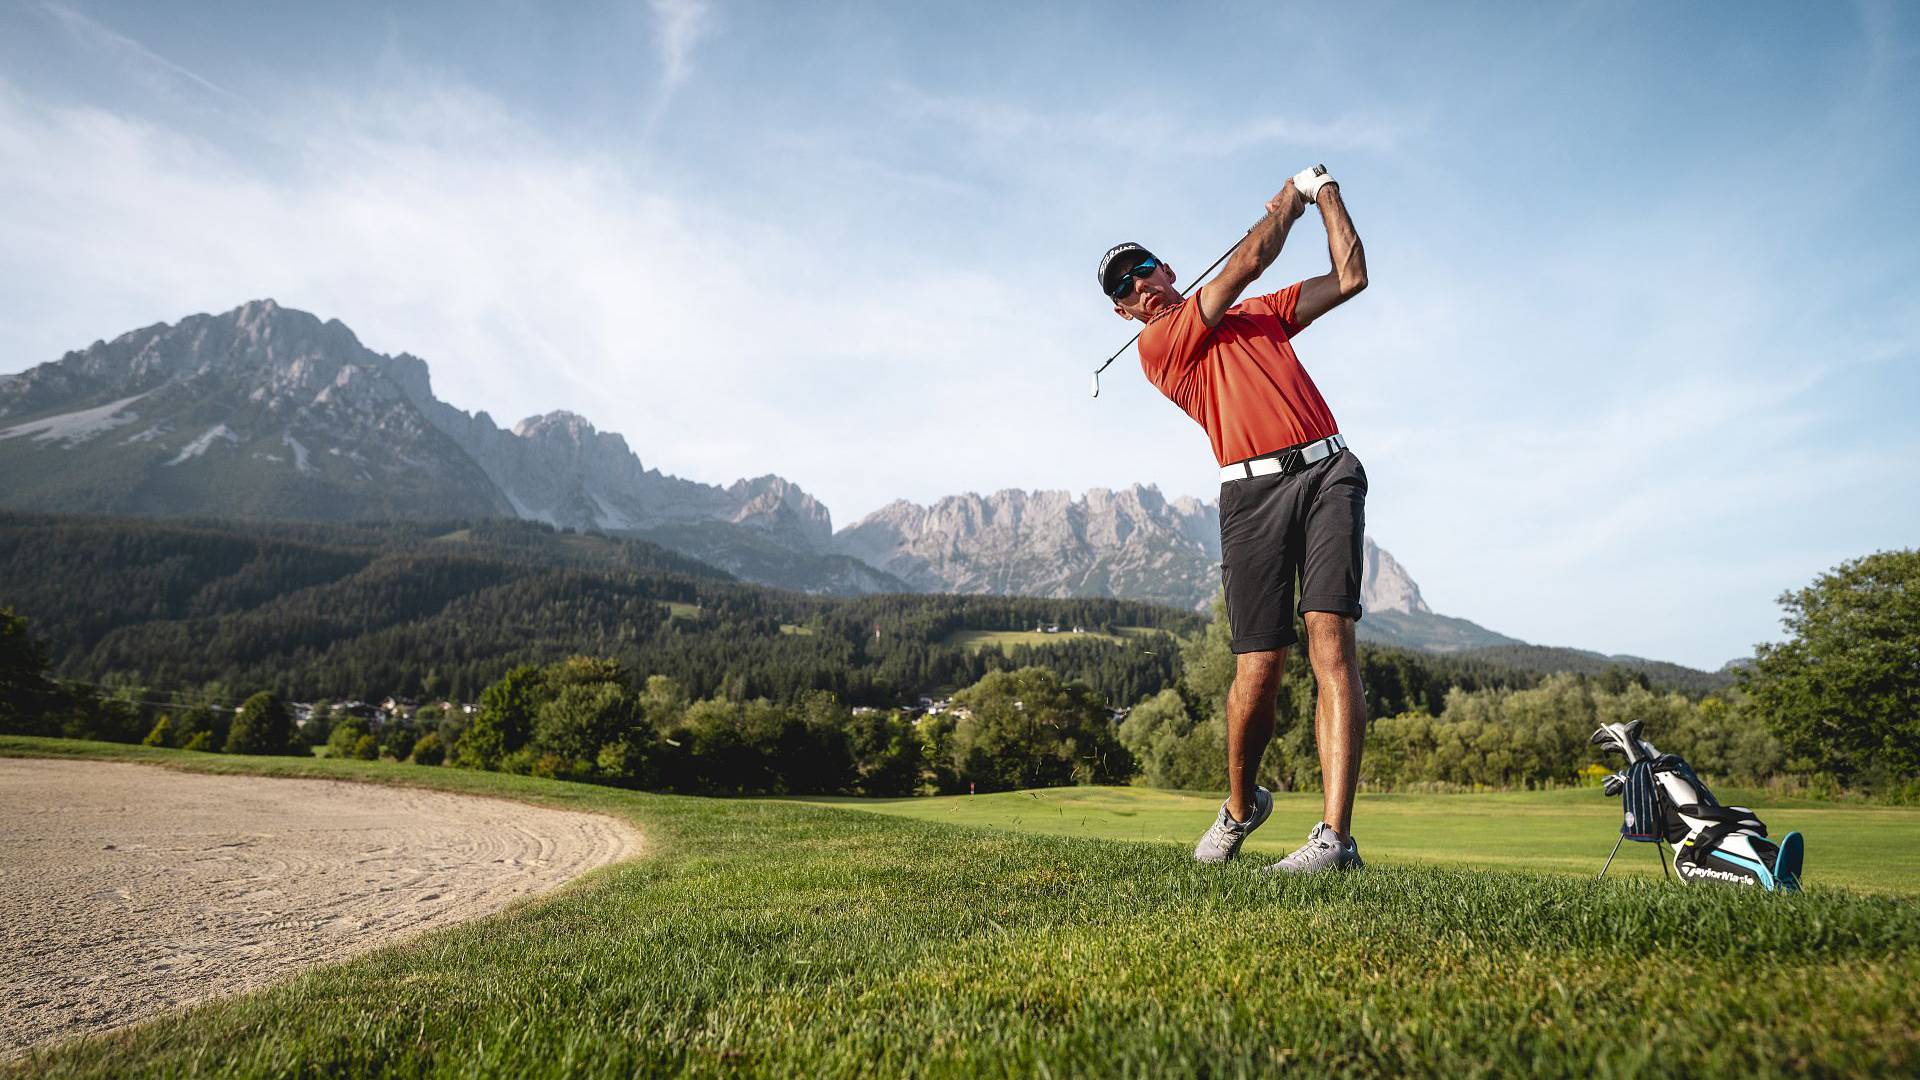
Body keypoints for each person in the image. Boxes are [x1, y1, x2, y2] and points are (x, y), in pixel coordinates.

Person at [1098, 165, 1370, 873]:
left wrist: (1329, 194)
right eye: (1124, 288)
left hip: (1327, 469)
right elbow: (1249, 258)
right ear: (1124, 313)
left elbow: (1349, 278)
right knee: (1259, 668)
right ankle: (1243, 806)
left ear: (1168, 269)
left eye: (1144, 270)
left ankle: (1335, 841)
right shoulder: (1159, 347)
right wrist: (1290, 198)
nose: (1139, 286)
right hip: (1250, 499)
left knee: (1330, 643)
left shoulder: (1260, 315)